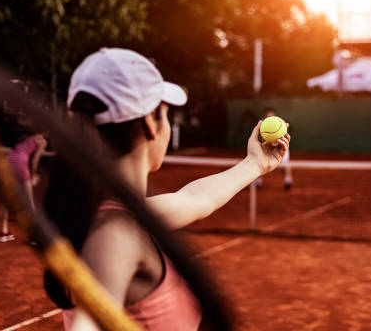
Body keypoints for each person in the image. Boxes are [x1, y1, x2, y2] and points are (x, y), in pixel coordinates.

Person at [42, 48, 290, 331]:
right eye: (167, 113)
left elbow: (196, 199)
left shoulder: (120, 214)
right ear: (150, 123)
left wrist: (255, 163)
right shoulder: (115, 234)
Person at [0, 132, 47, 242]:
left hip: (9, 160)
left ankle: (3, 232)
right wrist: (32, 177)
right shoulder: (42, 141)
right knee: (30, 202)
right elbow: (34, 161)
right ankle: (33, 236)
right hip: (21, 162)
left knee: (6, 199)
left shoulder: (25, 137)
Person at [254, 107, 293, 191]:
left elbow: (285, 136)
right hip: (266, 147)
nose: (269, 116)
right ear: (265, 116)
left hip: (280, 147)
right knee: (261, 164)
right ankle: (258, 182)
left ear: (274, 115)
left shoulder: (279, 123)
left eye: (271, 115)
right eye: (267, 115)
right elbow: (259, 137)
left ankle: (288, 181)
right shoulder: (261, 124)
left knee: (285, 166)